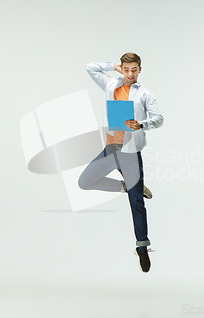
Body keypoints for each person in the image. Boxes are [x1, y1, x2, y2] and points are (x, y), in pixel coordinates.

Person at [78, 52, 164, 272]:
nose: (130, 74)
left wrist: (142, 125)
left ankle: (142, 248)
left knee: (136, 203)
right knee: (85, 181)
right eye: (126, 69)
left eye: (134, 69)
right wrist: (112, 66)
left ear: (140, 70)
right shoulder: (110, 84)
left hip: (130, 152)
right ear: (122, 69)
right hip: (111, 149)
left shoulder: (144, 94)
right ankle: (124, 186)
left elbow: (159, 118)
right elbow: (90, 67)